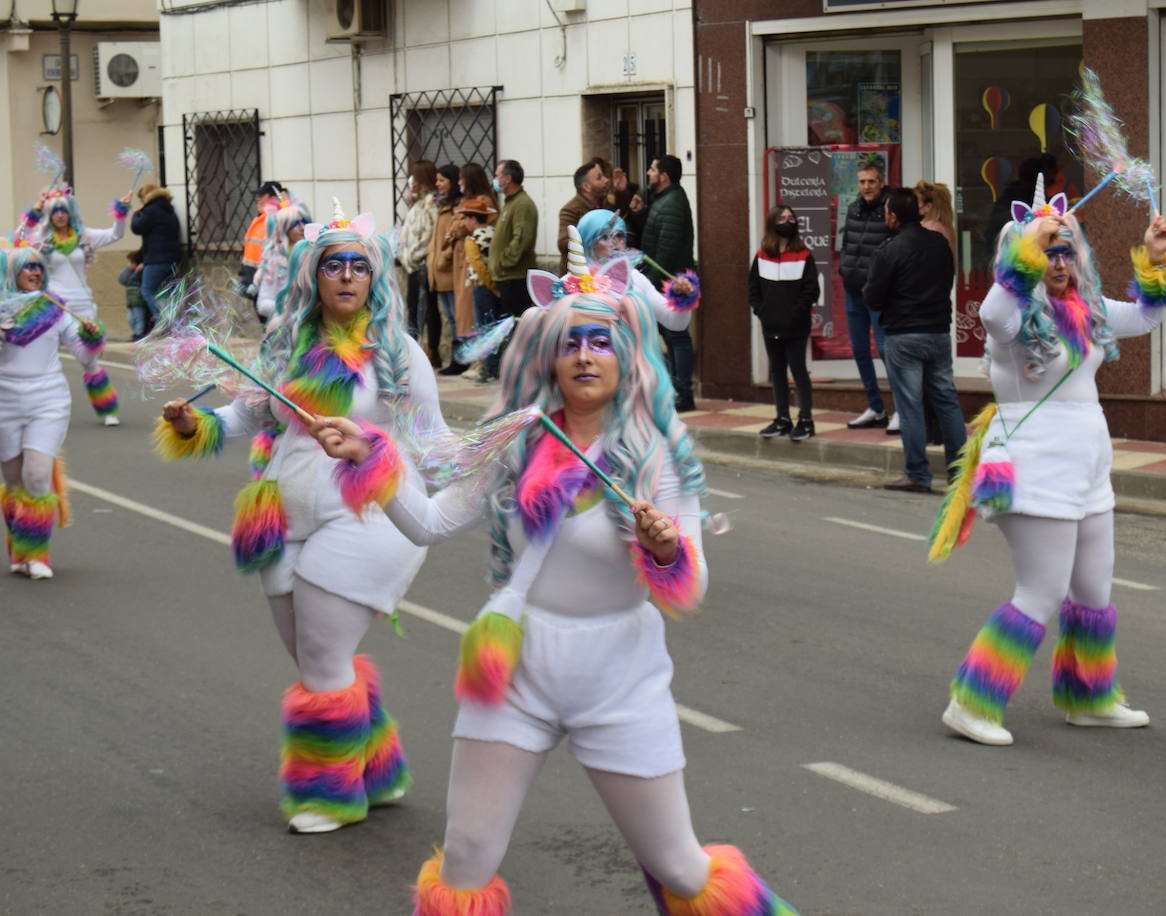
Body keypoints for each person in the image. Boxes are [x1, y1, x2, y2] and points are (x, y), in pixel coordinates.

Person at [308, 253, 798, 916]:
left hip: (620, 676)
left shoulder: (657, 455)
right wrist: (372, 456)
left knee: (681, 868)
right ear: (549, 359)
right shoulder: (518, 443)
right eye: (570, 343)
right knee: (464, 862)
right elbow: (427, 523)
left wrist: (663, 552)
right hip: (515, 670)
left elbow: (694, 585)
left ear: (625, 356)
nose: (586, 356)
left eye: (601, 341)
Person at [153, 204, 442, 833]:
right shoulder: (285, 344)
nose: (345, 276)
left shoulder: (399, 353)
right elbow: (245, 418)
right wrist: (190, 424)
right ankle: (376, 767)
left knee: (320, 648)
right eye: (333, 265)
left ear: (374, 278)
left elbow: (436, 445)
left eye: (358, 266)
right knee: (314, 659)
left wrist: (455, 509)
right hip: (282, 513)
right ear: (313, 274)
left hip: (368, 510)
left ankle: (328, 793)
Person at [938, 176, 1166, 746]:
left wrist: (1154, 258)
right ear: (1023, 256)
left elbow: (1146, 316)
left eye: (1067, 248)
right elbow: (994, 312)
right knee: (1040, 592)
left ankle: (1089, 696)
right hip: (1034, 464)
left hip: (1088, 465)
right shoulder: (1013, 322)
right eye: (1049, 250)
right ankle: (971, 703)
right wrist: (1031, 242)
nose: (1060, 260)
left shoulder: (1086, 310)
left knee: (1093, 591)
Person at [0, 243, 105, 579]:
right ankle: (20, 548)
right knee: (15, 483)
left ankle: (38, 554)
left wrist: (91, 339)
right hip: (5, 401)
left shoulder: (55, 308)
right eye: (26, 267)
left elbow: (86, 360)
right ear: (10, 275)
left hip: (48, 399)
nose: (34, 272)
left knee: (36, 474)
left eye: (38, 267)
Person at [862, 187, 966, 493]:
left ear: (893, 217)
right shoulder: (939, 243)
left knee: (910, 405)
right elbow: (948, 280)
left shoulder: (889, 249)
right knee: (947, 400)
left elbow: (872, 296)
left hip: (904, 334)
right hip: (937, 331)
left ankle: (918, 474)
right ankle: (959, 473)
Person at [25, 186, 130, 427]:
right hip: (54, 306)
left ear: (70, 212)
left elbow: (116, 234)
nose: (59, 215)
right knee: (43, 357)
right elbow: (23, 237)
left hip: (83, 308)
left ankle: (107, 410)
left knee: (90, 360)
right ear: (49, 216)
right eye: (54, 211)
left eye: (63, 210)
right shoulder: (42, 240)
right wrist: (34, 211)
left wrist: (121, 212)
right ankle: (38, 410)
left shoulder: (85, 237)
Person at [748, 206, 819, 441]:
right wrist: (762, 311)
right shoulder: (761, 255)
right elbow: (753, 288)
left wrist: (795, 314)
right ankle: (782, 418)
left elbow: (811, 290)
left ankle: (806, 420)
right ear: (772, 223)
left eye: (791, 218)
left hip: (796, 325)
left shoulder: (803, 254)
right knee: (777, 371)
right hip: (771, 324)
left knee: (798, 370)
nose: (787, 222)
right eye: (782, 218)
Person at [837, 159, 895, 432]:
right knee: (860, 350)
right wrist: (845, 271)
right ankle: (875, 407)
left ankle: (901, 409)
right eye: (862, 182)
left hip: (880, 293)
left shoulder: (890, 209)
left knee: (886, 351)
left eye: (871, 181)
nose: (867, 186)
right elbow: (848, 244)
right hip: (853, 290)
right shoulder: (853, 209)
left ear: (881, 182)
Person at [576, 209, 699, 333]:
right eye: (605, 236)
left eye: (619, 235)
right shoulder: (575, 280)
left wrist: (682, 296)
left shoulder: (635, 279)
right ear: (588, 242)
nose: (615, 242)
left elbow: (675, 323)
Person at [638, 154, 697, 413]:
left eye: (652, 169)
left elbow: (666, 250)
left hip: (671, 281)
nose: (648, 173)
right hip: (664, 279)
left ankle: (684, 392)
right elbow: (652, 237)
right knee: (670, 338)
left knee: (677, 337)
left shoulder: (672, 203)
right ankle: (676, 389)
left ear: (664, 175)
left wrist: (646, 283)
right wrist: (640, 212)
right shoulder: (663, 200)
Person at [913, 180, 958, 446]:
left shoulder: (929, 232)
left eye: (919, 203)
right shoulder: (946, 231)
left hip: (923, 313)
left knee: (929, 383)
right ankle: (942, 433)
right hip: (939, 312)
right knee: (940, 382)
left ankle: (932, 431)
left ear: (928, 206)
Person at [490, 159, 538, 319]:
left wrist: (504, 261)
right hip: (506, 277)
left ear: (508, 178)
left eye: (497, 176)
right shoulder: (511, 202)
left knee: (515, 324)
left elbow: (522, 238)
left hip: (515, 278)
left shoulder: (522, 204)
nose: (495, 180)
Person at [130, 183, 183, 327]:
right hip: (172, 259)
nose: (142, 202)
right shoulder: (168, 209)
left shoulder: (151, 210)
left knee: (148, 290)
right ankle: (173, 323)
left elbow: (137, 227)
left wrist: (136, 214)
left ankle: (167, 323)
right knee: (164, 294)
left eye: (141, 199)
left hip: (157, 259)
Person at [398, 160, 438, 351]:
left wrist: (412, 255)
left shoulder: (431, 205)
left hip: (422, 264)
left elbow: (429, 237)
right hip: (411, 265)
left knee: (425, 310)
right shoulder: (417, 205)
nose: (412, 183)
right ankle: (413, 347)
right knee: (413, 308)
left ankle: (427, 349)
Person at [427, 164, 464, 371]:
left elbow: (454, 238)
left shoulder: (457, 206)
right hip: (438, 271)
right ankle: (455, 359)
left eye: (442, 180)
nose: (438, 184)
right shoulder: (443, 205)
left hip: (449, 270)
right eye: (437, 180)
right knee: (449, 316)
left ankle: (459, 360)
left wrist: (443, 258)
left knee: (454, 316)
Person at [459, 199, 500, 383]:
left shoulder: (472, 239)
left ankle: (488, 368)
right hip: (497, 285)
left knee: (485, 329)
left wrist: (491, 286)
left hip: (483, 287)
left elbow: (478, 266)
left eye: (466, 219)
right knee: (497, 327)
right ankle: (495, 365)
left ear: (473, 220)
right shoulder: (495, 233)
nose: (464, 223)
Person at [252, 196, 310, 321]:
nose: (302, 227)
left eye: (303, 222)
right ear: (284, 229)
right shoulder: (275, 261)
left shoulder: (313, 253)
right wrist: (290, 312)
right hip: (285, 327)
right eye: (295, 224)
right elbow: (263, 304)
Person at [557, 160, 609, 274]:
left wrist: (623, 192)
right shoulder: (570, 210)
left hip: (603, 273)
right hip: (578, 277)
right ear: (586, 186)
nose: (606, 180)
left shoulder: (605, 204)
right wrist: (591, 237)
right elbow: (563, 243)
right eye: (599, 178)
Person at [240, 180, 285, 300]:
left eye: (262, 196)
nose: (258, 199)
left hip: (269, 280)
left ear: (274, 197)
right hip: (253, 278)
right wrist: (244, 274)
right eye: (258, 196)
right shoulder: (259, 220)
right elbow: (250, 249)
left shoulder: (279, 219)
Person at [117, 249, 148, 341]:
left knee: (139, 318)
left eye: (131, 262)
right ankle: (136, 333)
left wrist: (137, 272)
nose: (129, 264)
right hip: (131, 302)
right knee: (130, 319)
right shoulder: (131, 272)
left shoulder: (141, 272)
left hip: (139, 301)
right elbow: (122, 279)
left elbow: (132, 280)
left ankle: (139, 334)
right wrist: (129, 269)